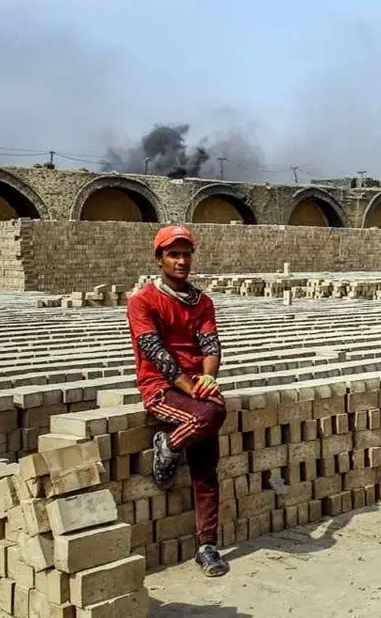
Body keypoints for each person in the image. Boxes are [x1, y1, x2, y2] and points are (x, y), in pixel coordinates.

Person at [125, 224, 230, 577]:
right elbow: (154, 351)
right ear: (159, 259)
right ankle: (167, 444)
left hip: (195, 388)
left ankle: (207, 546)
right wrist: (190, 386)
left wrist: (208, 378)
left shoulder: (202, 302)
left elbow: (211, 345)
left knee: (207, 469)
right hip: (161, 388)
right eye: (174, 254)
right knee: (208, 416)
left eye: (186, 254)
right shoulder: (143, 301)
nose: (182, 261)